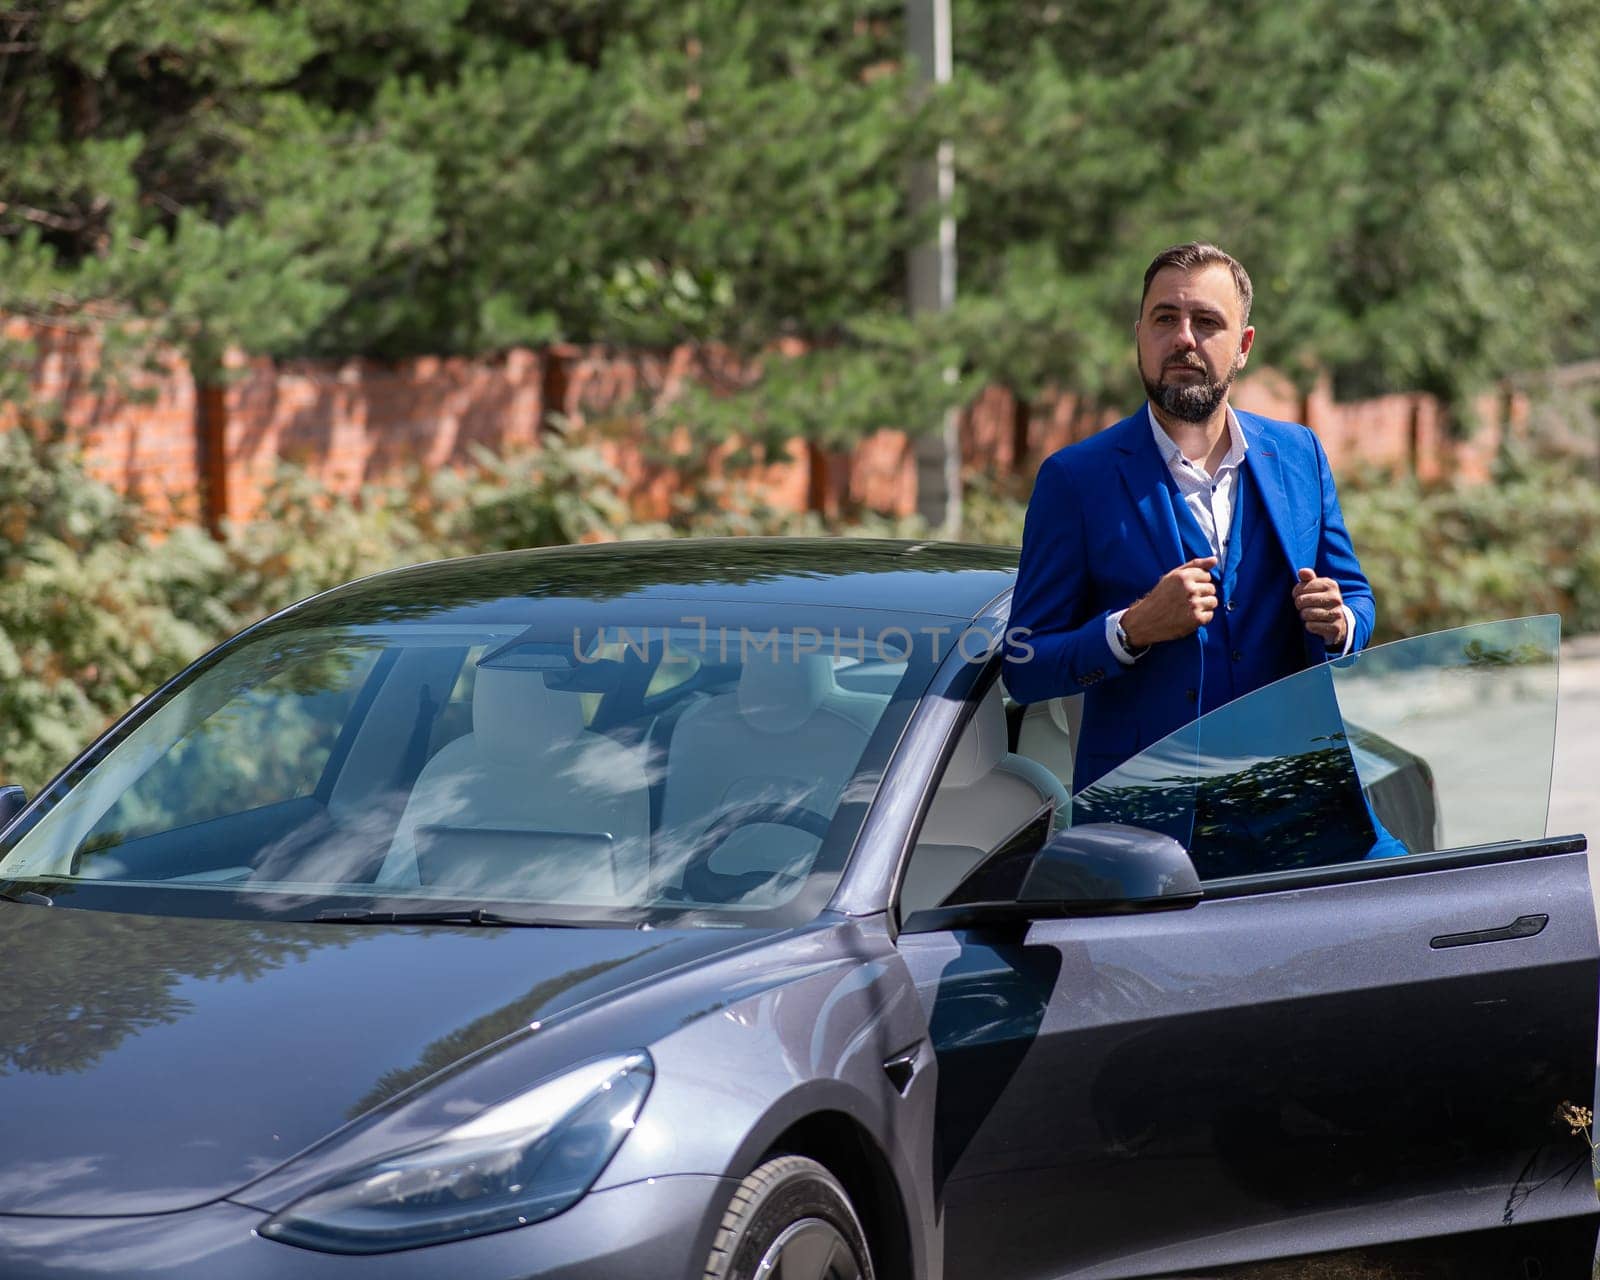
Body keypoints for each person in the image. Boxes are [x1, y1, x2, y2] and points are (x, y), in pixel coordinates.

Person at [1004, 241, 1375, 793]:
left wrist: (1340, 623)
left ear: (1243, 346)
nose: (1183, 338)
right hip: (1154, 817)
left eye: (1206, 321)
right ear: (1139, 335)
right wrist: (1130, 630)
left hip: (1298, 801)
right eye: (1165, 318)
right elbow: (1025, 664)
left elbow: (1357, 599)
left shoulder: (1300, 454)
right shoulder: (1075, 480)